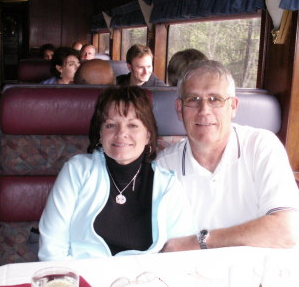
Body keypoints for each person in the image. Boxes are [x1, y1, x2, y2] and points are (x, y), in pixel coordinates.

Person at [156, 60, 299, 252]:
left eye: (215, 99)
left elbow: (286, 230)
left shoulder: (261, 146)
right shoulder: (163, 166)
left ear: (233, 106)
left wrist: (200, 241)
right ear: (179, 109)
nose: (204, 111)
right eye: (193, 99)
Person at [38, 86, 195, 260]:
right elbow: (51, 251)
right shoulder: (76, 172)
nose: (121, 133)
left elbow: (181, 256)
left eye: (133, 125)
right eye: (111, 125)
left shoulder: (167, 187)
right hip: (82, 282)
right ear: (100, 133)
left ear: (148, 136)